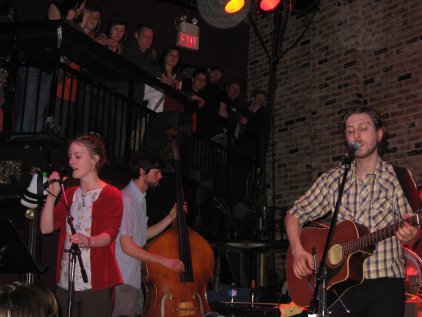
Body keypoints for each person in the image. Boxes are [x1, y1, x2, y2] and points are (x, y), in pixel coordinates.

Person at [284, 106, 419, 317]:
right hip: (339, 287)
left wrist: (410, 236)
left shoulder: (399, 177)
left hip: (385, 284)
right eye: (350, 130)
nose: (356, 135)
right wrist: (298, 250)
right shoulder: (333, 180)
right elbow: (294, 214)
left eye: (363, 128)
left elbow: (411, 232)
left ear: (380, 133)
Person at [40, 133, 123, 317]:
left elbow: (109, 234)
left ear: (94, 160)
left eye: (78, 156)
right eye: (70, 156)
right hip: (65, 281)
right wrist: (51, 197)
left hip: (95, 283)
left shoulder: (111, 194)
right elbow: (46, 228)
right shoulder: (69, 194)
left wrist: (89, 241)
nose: (71, 162)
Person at [112, 151, 185, 317]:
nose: (160, 176)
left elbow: (141, 235)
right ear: (142, 172)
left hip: (133, 277)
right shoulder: (127, 200)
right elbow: (127, 246)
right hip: (123, 277)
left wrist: (169, 218)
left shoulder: (140, 199)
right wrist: (163, 261)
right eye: (156, 172)